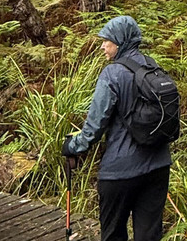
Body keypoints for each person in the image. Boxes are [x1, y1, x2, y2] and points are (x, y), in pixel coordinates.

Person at [62, 15, 172, 241]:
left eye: (107, 40)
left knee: (113, 234)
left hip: (120, 172)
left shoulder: (112, 74)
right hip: (159, 165)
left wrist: (73, 145)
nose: (103, 45)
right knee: (149, 235)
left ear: (120, 42)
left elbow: (94, 126)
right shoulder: (152, 66)